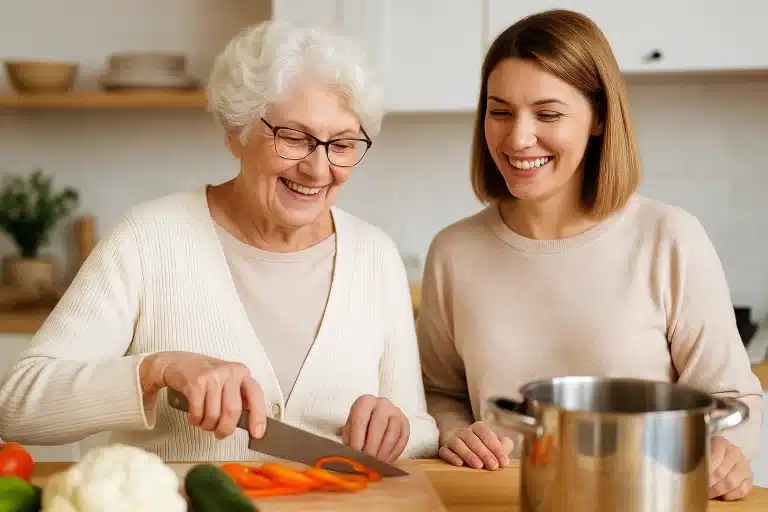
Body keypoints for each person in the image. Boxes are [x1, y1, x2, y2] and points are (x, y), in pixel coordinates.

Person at [0, 20, 439, 463]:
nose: (319, 169)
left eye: (341, 144)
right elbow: (17, 404)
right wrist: (156, 370)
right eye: (293, 137)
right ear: (237, 131)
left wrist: (396, 427)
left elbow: (419, 428)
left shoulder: (375, 256)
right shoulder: (149, 238)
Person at [416, 9, 763, 501]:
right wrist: (454, 432)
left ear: (599, 117)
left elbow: (734, 399)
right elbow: (439, 392)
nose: (517, 138)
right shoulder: (453, 251)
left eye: (548, 114)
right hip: (504, 501)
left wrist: (726, 451)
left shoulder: (668, 238)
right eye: (500, 111)